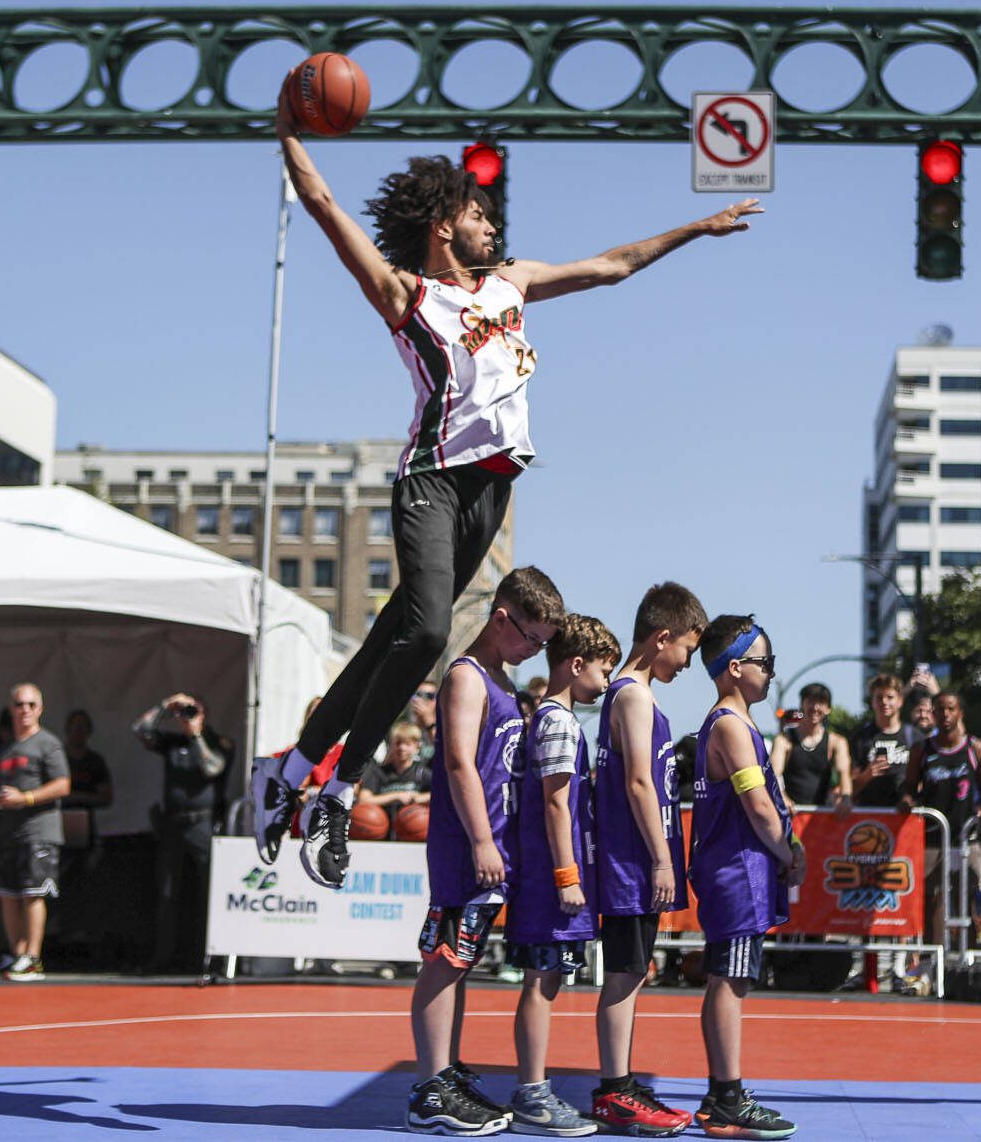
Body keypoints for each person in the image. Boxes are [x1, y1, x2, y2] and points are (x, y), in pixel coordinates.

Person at [251, 98, 763, 893]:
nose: (492, 225)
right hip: (434, 481)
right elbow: (322, 203)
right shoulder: (407, 296)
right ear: (441, 223)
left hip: (494, 492)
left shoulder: (510, 285)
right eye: (477, 212)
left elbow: (612, 265)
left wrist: (695, 228)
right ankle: (338, 788)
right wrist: (287, 131)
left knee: (400, 632)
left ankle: (290, 764)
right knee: (423, 633)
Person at [407, 566, 564, 1136]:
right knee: (444, 962)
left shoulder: (500, 679)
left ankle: (443, 1073)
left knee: (462, 962)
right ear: (502, 618)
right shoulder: (468, 678)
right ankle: (429, 1089)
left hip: (494, 848)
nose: (535, 650)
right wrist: (479, 839)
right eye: (532, 638)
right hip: (467, 848)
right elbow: (458, 763)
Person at [591, 582, 706, 1137]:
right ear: (662, 637)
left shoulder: (635, 694)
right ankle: (614, 1090)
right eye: (685, 648)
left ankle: (622, 1081)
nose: (687, 662)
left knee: (633, 972)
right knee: (623, 974)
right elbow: (638, 783)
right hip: (631, 860)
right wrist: (662, 860)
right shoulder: (632, 695)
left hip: (637, 857)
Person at [504, 613, 618, 1138]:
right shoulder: (558, 721)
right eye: (604, 667)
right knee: (541, 983)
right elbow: (555, 804)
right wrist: (567, 874)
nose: (608, 679)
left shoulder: (555, 719)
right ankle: (532, 1092)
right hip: (550, 881)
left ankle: (533, 1088)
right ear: (576, 666)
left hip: (551, 876)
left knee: (545, 982)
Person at [689, 614, 803, 1139]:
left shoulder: (735, 722)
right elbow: (757, 805)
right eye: (766, 663)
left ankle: (723, 1093)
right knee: (731, 981)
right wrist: (785, 851)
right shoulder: (731, 725)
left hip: (737, 868)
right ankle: (726, 1095)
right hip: (739, 869)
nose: (772, 673)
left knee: (728, 977)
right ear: (735, 669)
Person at [0, 682, 70, 982]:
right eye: (19, 704)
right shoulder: (6, 749)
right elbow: (3, 792)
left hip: (38, 830)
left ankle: (33, 958)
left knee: (32, 893)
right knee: (7, 894)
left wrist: (27, 798)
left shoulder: (48, 743)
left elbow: (63, 784)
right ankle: (16, 954)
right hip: (7, 831)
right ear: (10, 709)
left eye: (31, 705)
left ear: (40, 709)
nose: (25, 710)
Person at [135, 692, 234, 971]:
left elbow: (213, 767)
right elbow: (140, 730)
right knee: (166, 891)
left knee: (209, 889)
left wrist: (196, 735)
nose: (189, 716)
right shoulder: (173, 743)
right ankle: (162, 957)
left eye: (194, 711)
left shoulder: (218, 742)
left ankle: (210, 958)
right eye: (186, 711)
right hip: (173, 823)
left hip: (202, 823)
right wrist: (165, 706)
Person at [898, 690, 981, 975]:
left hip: (966, 837)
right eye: (939, 710)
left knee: (967, 899)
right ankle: (930, 961)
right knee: (931, 900)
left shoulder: (975, 748)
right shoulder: (923, 749)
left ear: (960, 713)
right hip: (932, 837)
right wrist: (906, 800)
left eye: (950, 709)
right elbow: (909, 785)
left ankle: (969, 959)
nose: (945, 715)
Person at [768, 682, 852, 811]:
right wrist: (782, 797)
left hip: (822, 817)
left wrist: (845, 798)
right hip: (791, 813)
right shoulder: (784, 740)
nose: (815, 707)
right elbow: (774, 773)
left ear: (828, 709)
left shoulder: (837, 742)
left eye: (821, 703)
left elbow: (844, 773)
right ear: (802, 704)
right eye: (811, 702)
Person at [849, 673, 921, 808]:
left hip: (905, 818)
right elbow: (848, 788)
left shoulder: (914, 736)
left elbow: (924, 781)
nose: (884, 702)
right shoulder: (860, 737)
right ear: (872, 702)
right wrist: (866, 775)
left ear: (900, 701)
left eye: (890, 697)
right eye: (879, 697)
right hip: (869, 815)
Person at [358, 720, 434, 841]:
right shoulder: (378, 772)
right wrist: (396, 796)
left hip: (414, 834)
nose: (401, 748)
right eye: (398, 743)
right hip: (383, 836)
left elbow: (442, 795)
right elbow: (364, 800)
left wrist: (420, 798)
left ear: (417, 747)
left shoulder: (422, 773)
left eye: (407, 744)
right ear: (391, 745)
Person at [61, 709, 114, 841]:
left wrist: (79, 797)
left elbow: (106, 798)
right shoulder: (56, 759)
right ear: (67, 729)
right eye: (75, 727)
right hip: (57, 822)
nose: (78, 732)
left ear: (89, 732)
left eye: (82, 728)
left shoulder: (95, 762)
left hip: (85, 824)